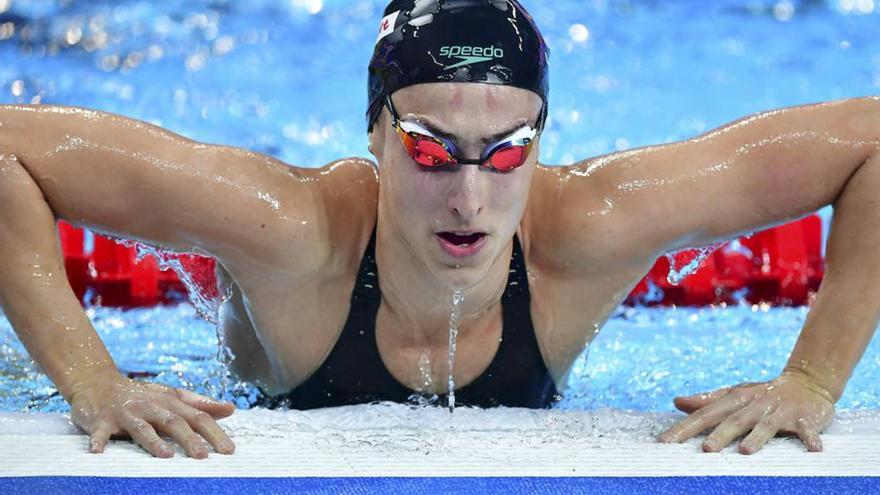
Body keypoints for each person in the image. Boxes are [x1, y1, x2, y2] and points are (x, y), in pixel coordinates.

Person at [0, 0, 877, 460]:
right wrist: (91, 379)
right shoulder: (288, 228)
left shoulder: (592, 229)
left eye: (504, 157)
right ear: (375, 132)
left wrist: (810, 378)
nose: (468, 199)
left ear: (542, 142)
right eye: (428, 152)